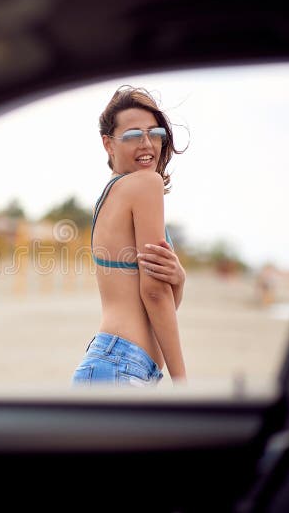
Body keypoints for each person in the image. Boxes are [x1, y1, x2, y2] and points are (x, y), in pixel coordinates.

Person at [72, 85, 187, 387]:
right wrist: (183, 383)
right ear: (108, 144)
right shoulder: (145, 185)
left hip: (111, 362)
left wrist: (179, 279)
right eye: (134, 135)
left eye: (155, 133)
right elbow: (154, 293)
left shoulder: (108, 197)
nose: (147, 144)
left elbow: (152, 301)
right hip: (121, 367)